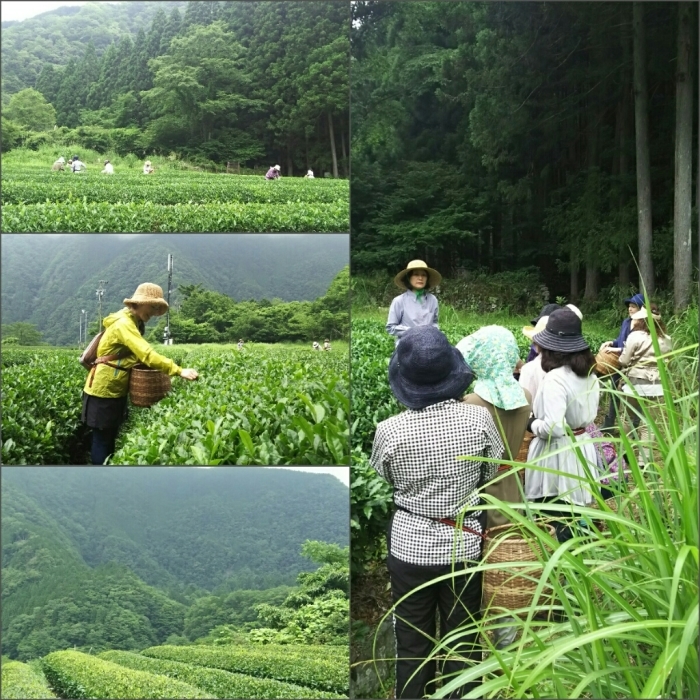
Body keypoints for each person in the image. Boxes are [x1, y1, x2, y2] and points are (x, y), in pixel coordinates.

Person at [371, 325, 503, 699]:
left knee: (412, 645)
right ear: (451, 374)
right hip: (463, 546)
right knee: (463, 642)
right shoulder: (478, 419)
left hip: (409, 548)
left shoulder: (389, 430)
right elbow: (489, 471)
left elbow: (386, 475)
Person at [457, 325, 532, 650]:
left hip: (480, 495)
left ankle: (470, 641)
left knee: (474, 570)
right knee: (504, 569)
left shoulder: (471, 403)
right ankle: (506, 643)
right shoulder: (524, 397)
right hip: (512, 490)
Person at [81, 283, 199, 465]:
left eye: (157, 308)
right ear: (139, 303)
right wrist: (178, 370)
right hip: (102, 391)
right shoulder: (124, 324)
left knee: (110, 434)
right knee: (102, 438)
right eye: (152, 306)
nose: (153, 312)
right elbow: (146, 354)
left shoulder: (133, 322)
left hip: (114, 388)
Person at [524, 308, 600, 542]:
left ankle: (561, 569)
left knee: (554, 512)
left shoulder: (556, 377)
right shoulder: (590, 374)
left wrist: (533, 424)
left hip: (558, 455)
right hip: (581, 445)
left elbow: (555, 428)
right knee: (576, 511)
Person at [618, 305, 672, 465]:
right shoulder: (666, 339)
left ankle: (625, 453)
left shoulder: (635, 336)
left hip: (634, 382)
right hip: (656, 385)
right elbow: (668, 363)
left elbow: (624, 360)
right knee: (649, 424)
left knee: (627, 419)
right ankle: (644, 461)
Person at [599, 292, 645, 429]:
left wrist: (616, 350)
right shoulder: (626, 322)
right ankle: (609, 423)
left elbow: (634, 347)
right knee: (614, 390)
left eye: (634, 307)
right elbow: (621, 341)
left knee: (635, 396)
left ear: (641, 309)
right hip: (620, 363)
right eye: (629, 306)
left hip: (635, 366)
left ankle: (634, 426)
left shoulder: (644, 326)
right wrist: (611, 343)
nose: (630, 309)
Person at [386, 260, 441, 344]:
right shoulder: (399, 301)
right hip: (407, 344)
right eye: (416, 274)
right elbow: (391, 327)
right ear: (408, 277)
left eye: (424, 275)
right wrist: (414, 332)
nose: (420, 278)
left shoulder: (432, 300)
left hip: (429, 344)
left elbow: (435, 323)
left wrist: (432, 332)